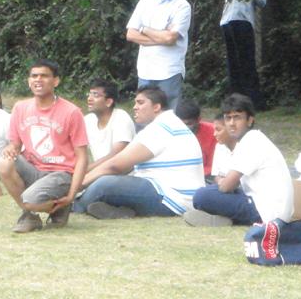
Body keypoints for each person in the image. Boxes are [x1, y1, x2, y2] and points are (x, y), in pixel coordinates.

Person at [73, 85, 204, 219]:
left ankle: (73, 205)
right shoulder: (169, 123)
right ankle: (120, 211)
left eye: (140, 103)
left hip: (172, 198)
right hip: (177, 196)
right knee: (110, 182)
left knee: (105, 184)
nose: (135, 107)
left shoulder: (160, 128)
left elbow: (115, 165)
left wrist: (77, 185)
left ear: (156, 107)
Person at [0, 60, 89, 233]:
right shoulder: (20, 108)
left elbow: (82, 157)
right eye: (34, 76)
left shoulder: (71, 112)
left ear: (55, 81)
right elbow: (15, 144)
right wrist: (11, 149)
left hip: (61, 173)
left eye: (44, 76)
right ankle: (31, 216)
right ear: (28, 81)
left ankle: (60, 206)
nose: (38, 80)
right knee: (4, 162)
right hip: (34, 168)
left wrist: (71, 195)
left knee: (30, 199)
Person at [191, 94, 293, 226]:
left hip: (268, 212)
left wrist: (223, 184)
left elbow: (226, 186)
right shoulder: (246, 141)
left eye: (237, 118)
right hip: (260, 203)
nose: (232, 124)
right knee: (209, 192)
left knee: (201, 196)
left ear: (250, 121)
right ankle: (222, 217)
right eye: (228, 119)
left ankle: (223, 217)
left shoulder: (252, 140)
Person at [125, 0, 192, 110]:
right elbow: (130, 34)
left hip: (169, 72)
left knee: (167, 118)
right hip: (145, 71)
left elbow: (170, 38)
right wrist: (161, 37)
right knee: (143, 118)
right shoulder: (145, 1)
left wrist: (144, 29)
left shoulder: (182, 6)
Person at [220, 0, 266, 109]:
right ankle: (253, 101)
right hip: (242, 21)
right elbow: (262, 1)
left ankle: (235, 99)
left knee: (233, 63)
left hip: (226, 22)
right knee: (247, 62)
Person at [84, 79, 136, 170]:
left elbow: (116, 155)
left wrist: (86, 170)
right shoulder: (88, 120)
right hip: (100, 173)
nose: (89, 98)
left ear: (108, 102)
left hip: (123, 174)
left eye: (95, 95)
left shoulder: (121, 117)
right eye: (89, 94)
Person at [176, 98, 216, 178]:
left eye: (189, 124)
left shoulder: (214, 133)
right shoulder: (171, 132)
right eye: (181, 124)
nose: (185, 128)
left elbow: (215, 167)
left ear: (198, 120)